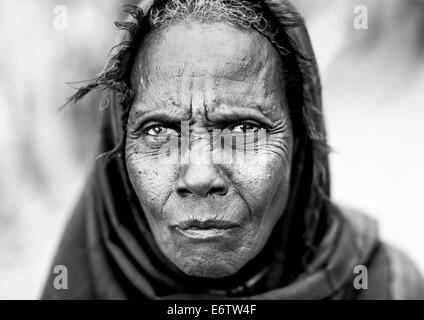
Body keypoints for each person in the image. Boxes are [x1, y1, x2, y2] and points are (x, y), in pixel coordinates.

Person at [42, 0, 424, 299]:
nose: (199, 176)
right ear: (120, 148)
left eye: (243, 128)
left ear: (301, 140)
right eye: (158, 130)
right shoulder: (80, 284)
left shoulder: (386, 286)